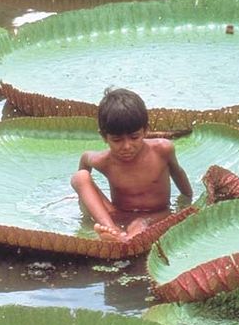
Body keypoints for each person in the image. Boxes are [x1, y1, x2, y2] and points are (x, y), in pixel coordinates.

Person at [71, 88, 193, 242]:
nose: (127, 146)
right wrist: (85, 203)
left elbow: (177, 173)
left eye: (134, 137)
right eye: (117, 140)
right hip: (118, 214)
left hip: (156, 215)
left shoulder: (162, 150)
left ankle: (120, 238)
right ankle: (113, 230)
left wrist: (187, 201)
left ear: (145, 131)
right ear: (104, 137)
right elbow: (85, 160)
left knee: (140, 223)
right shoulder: (104, 161)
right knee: (80, 177)